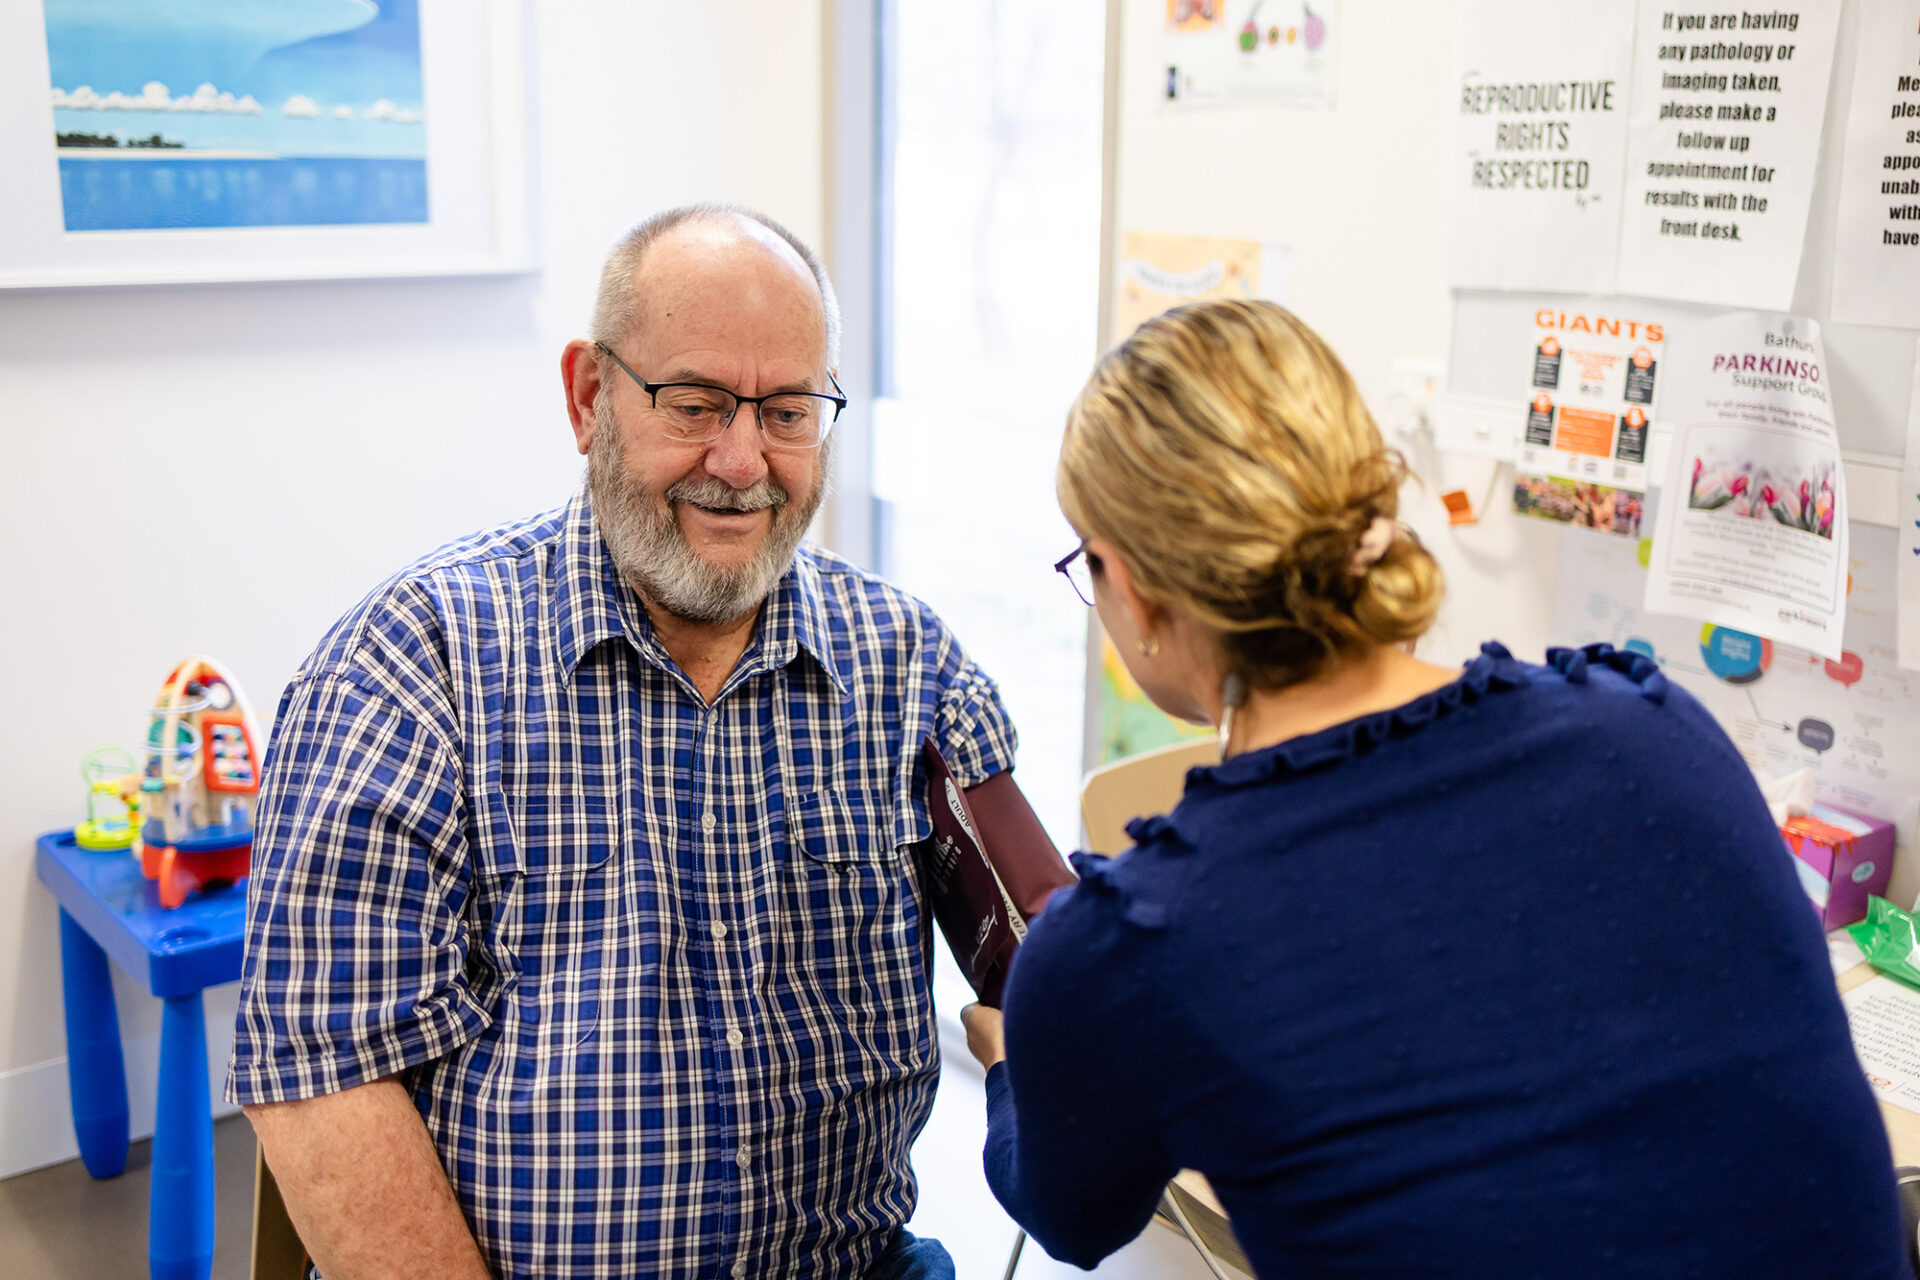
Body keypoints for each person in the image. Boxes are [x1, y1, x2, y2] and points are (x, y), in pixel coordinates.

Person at [960, 299, 1908, 1277]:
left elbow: (1068, 1213)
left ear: (1140, 589)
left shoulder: (1134, 950)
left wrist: (1007, 1058)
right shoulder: (1657, 730)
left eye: (1091, 567)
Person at [229, 203, 1025, 1280]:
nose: (742, 463)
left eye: (789, 412)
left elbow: (1036, 942)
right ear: (590, 395)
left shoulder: (910, 663)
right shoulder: (409, 668)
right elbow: (325, 1072)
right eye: (695, 403)